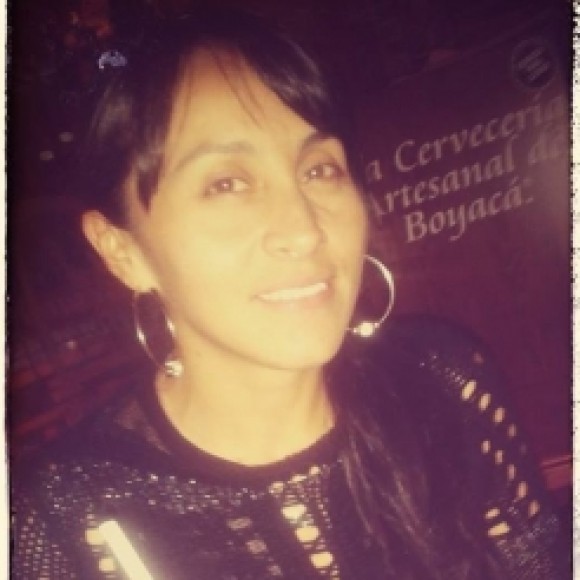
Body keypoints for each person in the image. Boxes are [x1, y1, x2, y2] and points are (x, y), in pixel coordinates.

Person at [11, 7, 567, 579]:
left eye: (319, 170)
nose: (303, 230)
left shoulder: (446, 384)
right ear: (123, 250)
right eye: (227, 184)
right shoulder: (69, 520)